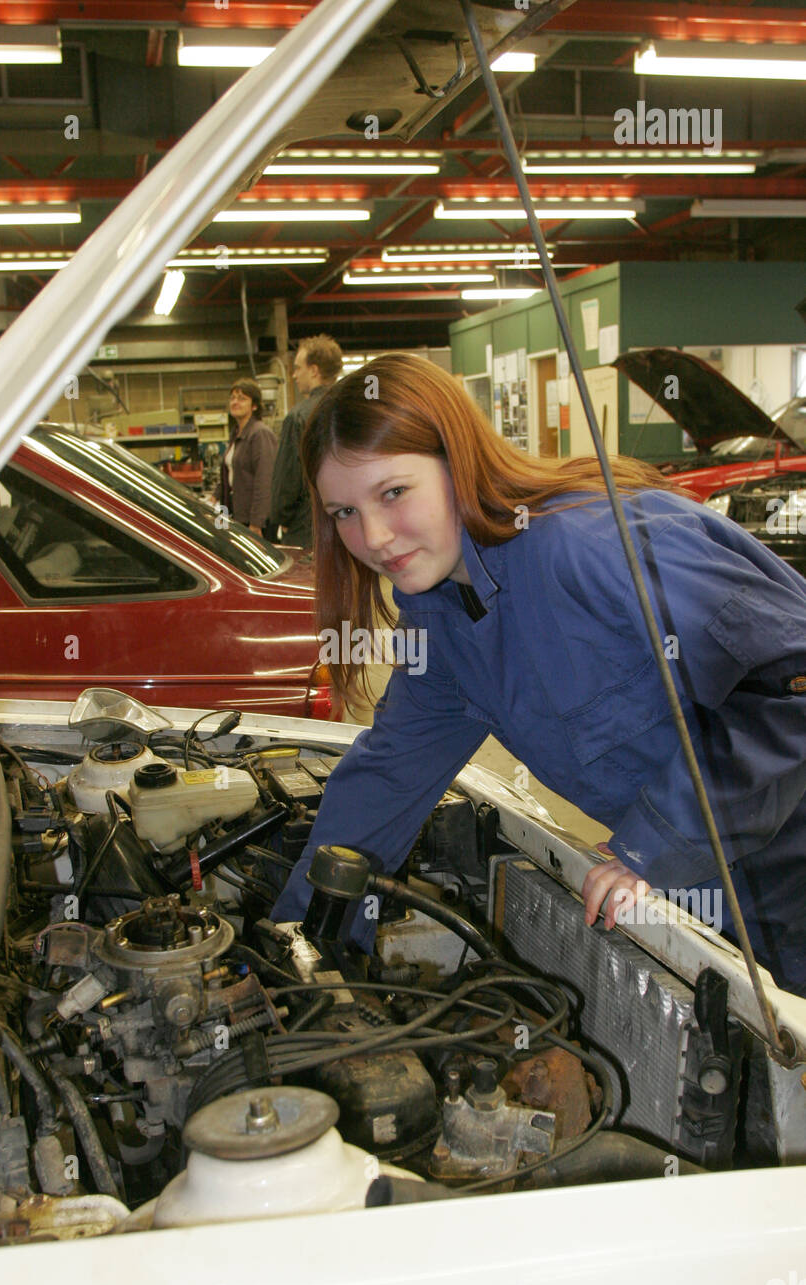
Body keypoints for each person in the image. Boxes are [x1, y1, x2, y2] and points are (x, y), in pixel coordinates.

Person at [270, 353, 806, 995]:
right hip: (713, 902)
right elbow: (388, 775)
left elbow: (788, 680)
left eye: (393, 492)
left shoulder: (586, 547)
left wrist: (652, 846)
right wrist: (296, 944)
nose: (376, 536)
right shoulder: (443, 617)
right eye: (344, 513)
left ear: (456, 460)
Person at [270, 335, 343, 548]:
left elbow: (287, 482)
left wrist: (280, 517)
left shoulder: (300, 417)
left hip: (309, 529)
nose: (294, 375)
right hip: (351, 526)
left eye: (298, 368)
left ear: (314, 370)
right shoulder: (355, 409)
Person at [222, 379, 276, 537]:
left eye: (242, 398)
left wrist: (256, 523)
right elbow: (230, 471)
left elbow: (265, 480)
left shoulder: (260, 434)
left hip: (254, 520)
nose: (235, 402)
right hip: (237, 513)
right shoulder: (236, 433)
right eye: (232, 398)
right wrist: (214, 497)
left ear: (254, 405)